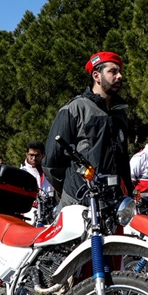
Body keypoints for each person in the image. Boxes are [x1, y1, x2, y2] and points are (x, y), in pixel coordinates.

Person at [43, 51, 132, 210]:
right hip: (78, 204)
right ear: (97, 76)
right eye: (113, 71)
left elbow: (123, 161)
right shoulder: (75, 108)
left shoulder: (120, 114)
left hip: (113, 203)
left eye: (120, 72)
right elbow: (52, 161)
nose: (119, 76)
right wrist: (72, 188)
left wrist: (128, 194)